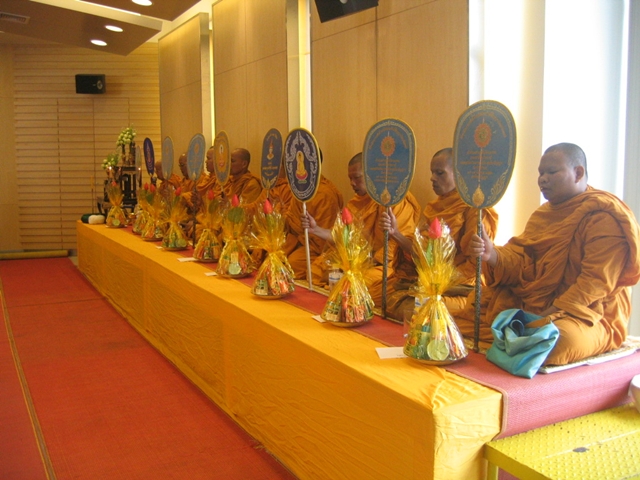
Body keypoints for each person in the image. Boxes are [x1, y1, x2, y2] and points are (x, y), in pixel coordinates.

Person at [456, 142, 640, 366]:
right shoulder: (543, 215)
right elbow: (524, 263)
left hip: (588, 314)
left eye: (551, 172)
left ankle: (523, 335)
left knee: (556, 341)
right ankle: (521, 335)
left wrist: (544, 317)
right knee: (465, 316)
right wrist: (492, 254)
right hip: (536, 306)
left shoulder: (604, 217)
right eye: (540, 173)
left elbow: (594, 284)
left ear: (578, 173)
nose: (542, 179)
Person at [379, 148, 499, 320]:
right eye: (432, 172)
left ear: (459, 174)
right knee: (393, 300)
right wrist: (395, 233)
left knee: (419, 308)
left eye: (440, 173)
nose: (432, 178)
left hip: (463, 288)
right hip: (434, 284)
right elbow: (424, 255)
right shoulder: (435, 207)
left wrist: (443, 281)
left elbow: (476, 264)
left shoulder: (475, 209)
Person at [303, 152, 420, 305]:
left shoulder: (395, 201)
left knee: (362, 285)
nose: (352, 183)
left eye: (357, 178)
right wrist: (316, 229)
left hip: (384, 266)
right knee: (315, 270)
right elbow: (344, 235)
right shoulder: (356, 203)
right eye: (350, 178)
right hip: (357, 261)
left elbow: (396, 247)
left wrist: (368, 262)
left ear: (373, 175)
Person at [284, 150, 344, 279]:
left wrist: (311, 231)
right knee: (274, 255)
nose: (297, 168)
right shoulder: (300, 190)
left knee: (292, 265)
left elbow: (325, 244)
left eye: (301, 164)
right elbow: (291, 220)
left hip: (318, 249)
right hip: (299, 241)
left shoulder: (324, 194)